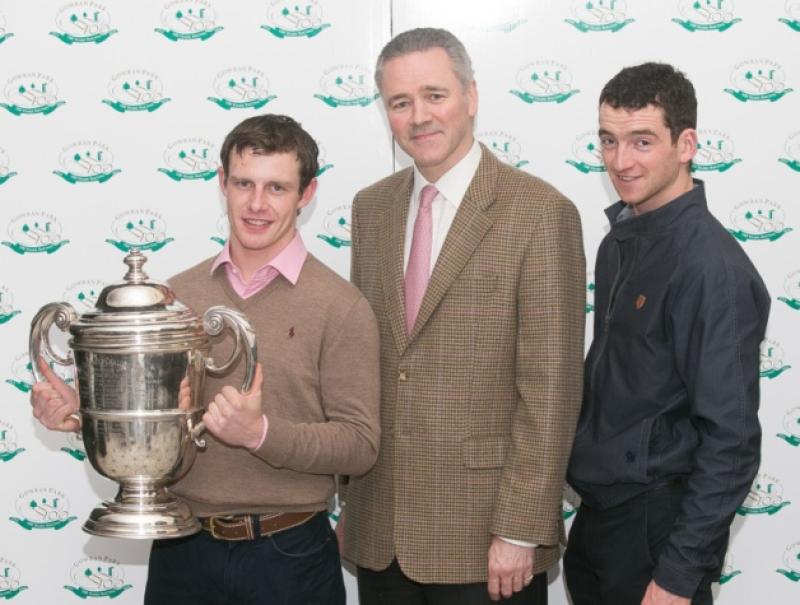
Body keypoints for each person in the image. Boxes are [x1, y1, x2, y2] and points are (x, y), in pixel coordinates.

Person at [30, 114, 381, 605]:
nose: (257, 204)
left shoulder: (341, 306)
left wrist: (259, 434)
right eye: (243, 183)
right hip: (183, 550)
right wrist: (83, 416)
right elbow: (159, 423)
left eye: (277, 188)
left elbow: (359, 445)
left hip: (290, 559)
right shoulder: (176, 298)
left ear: (306, 194)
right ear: (222, 182)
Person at [340, 27, 586, 604]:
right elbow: (364, 366)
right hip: (382, 534)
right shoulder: (370, 208)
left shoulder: (540, 212)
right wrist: (352, 500)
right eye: (400, 103)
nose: (418, 116)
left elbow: (551, 390)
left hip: (488, 543)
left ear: (471, 97)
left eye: (435, 95)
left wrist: (521, 528)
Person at [565, 62, 770, 605]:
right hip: (598, 520)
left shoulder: (711, 268)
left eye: (642, 141)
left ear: (686, 144)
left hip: (658, 530)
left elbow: (732, 441)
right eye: (608, 141)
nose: (620, 161)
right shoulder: (619, 243)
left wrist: (679, 574)